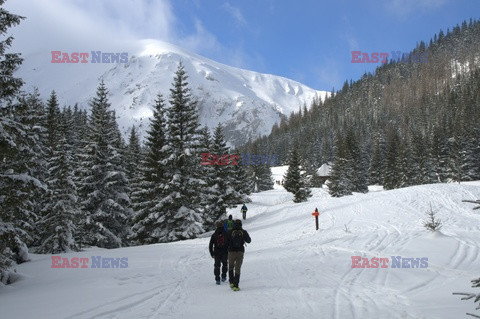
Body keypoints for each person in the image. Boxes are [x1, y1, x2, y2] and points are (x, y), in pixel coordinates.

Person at [227, 219, 251, 291]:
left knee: (231, 266)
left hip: (231, 251)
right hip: (240, 251)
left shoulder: (230, 231)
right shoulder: (243, 231)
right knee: (237, 268)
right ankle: (236, 285)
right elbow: (249, 241)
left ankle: (231, 282)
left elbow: (226, 241)